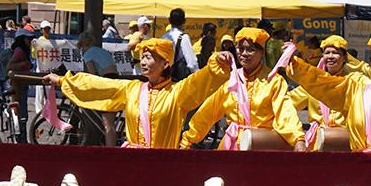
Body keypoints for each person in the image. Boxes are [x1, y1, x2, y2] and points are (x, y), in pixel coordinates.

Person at [47, 39, 234, 149]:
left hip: (163, 165)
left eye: (148, 57)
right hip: (132, 161)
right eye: (142, 57)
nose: (143, 62)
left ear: (165, 63)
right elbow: (98, 85)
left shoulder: (177, 93)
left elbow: (200, 80)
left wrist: (218, 63)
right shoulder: (132, 89)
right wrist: (62, 80)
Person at [181, 27, 306, 150]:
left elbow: (285, 113)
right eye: (240, 49)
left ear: (262, 53)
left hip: (261, 146)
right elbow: (208, 111)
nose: (244, 54)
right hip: (231, 145)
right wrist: (188, 139)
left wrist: (298, 139)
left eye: (251, 50)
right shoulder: (231, 80)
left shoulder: (274, 81)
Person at [78, 30, 120, 146]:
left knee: (108, 123)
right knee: (109, 121)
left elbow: (92, 74)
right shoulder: (101, 50)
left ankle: (110, 151)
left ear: (82, 43)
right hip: (114, 80)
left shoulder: (88, 54)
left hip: (107, 82)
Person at [162, 8, 198, 80]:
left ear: (169, 20)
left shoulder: (162, 38)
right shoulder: (183, 37)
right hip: (177, 78)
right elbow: (192, 64)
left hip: (163, 77)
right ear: (184, 21)